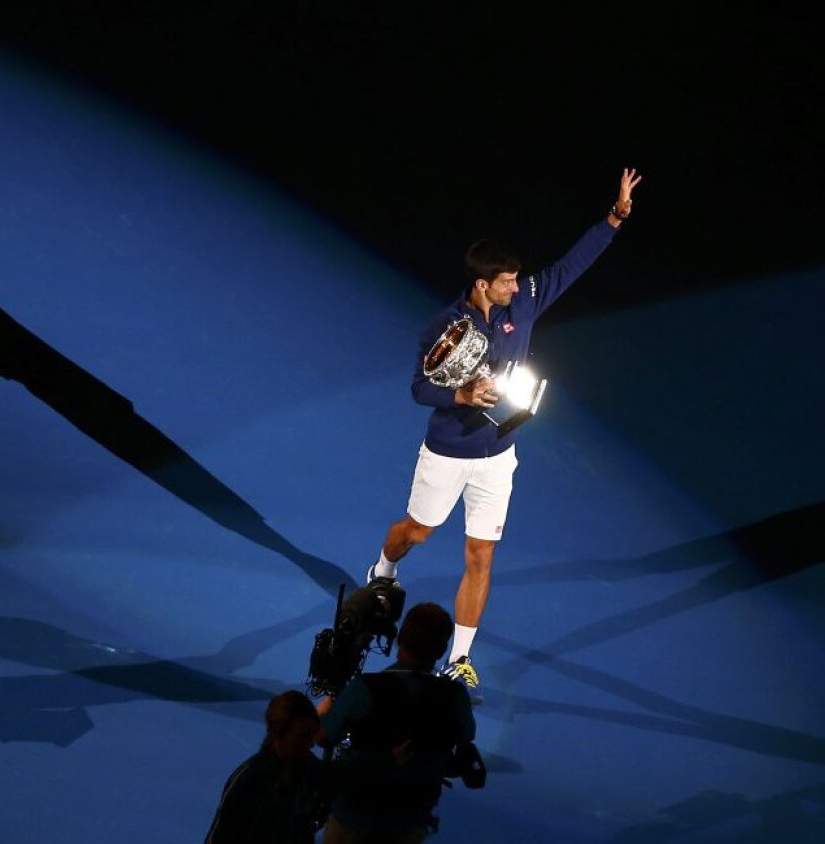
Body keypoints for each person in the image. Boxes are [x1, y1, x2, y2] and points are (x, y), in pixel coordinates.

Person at [367, 170, 643, 688]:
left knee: (481, 552)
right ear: (482, 284)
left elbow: (570, 267)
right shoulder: (443, 328)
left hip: (498, 456)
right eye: (507, 281)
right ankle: (383, 569)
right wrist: (462, 395)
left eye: (517, 279)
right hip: (448, 452)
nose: (518, 286)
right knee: (418, 533)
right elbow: (418, 389)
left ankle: (460, 658)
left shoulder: (526, 302)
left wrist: (614, 217)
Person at [318, 602, 476, 843]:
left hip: (353, 819)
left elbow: (322, 736)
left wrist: (331, 697)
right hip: (410, 824)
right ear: (442, 649)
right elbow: (465, 740)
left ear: (400, 638)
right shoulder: (455, 696)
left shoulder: (363, 689)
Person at [205, 690, 327, 843]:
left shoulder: (312, 771)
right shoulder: (250, 778)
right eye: (303, 735)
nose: (311, 744)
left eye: (312, 734)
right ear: (279, 732)